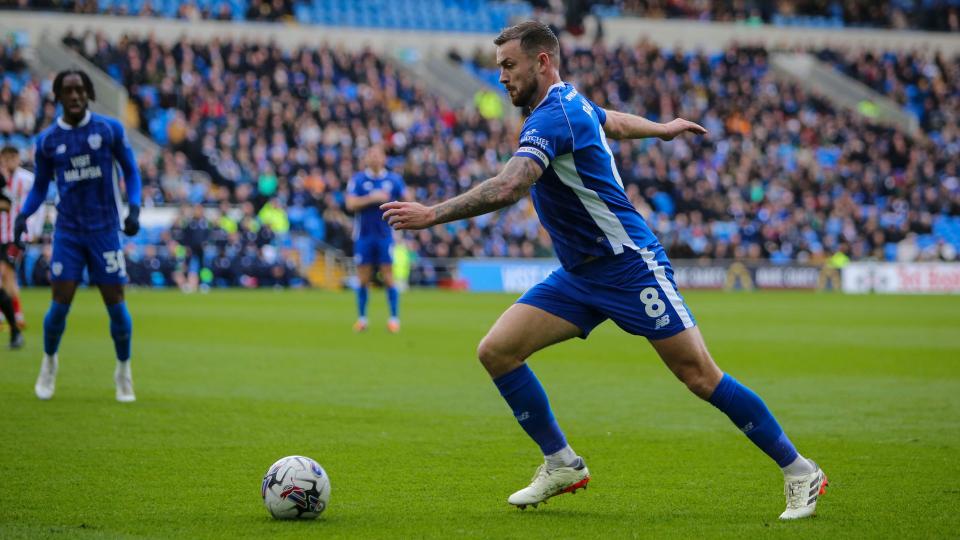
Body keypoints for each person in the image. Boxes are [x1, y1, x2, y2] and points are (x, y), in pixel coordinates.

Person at [382, 21, 826, 520]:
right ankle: (561, 463)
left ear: (542, 61)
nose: (501, 77)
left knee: (700, 376)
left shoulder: (552, 118)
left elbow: (510, 187)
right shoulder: (568, 104)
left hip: (630, 267)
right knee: (498, 351)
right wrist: (661, 129)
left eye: (509, 66)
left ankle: (800, 471)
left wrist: (432, 214)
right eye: (499, 67)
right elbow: (608, 120)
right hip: (580, 275)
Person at [13, 69, 142, 402]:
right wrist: (24, 215)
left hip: (104, 231)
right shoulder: (47, 141)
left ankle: (123, 370)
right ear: (58, 96)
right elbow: (41, 186)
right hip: (68, 232)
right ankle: (49, 363)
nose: (75, 96)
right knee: (59, 305)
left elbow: (130, 169)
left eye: (80, 90)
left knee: (116, 306)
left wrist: (135, 207)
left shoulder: (108, 129)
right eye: (68, 91)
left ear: (88, 94)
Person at [345, 145, 408, 333]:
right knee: (363, 278)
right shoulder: (358, 179)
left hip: (385, 235)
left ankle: (394, 318)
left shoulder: (394, 179)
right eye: (370, 155)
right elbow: (350, 204)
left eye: (377, 155)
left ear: (384, 158)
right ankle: (362, 318)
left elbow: (407, 200)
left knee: (388, 276)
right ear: (366, 158)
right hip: (363, 235)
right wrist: (373, 198)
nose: (374, 158)